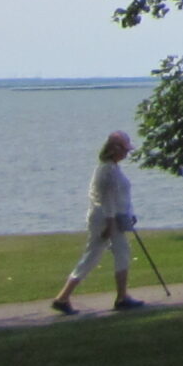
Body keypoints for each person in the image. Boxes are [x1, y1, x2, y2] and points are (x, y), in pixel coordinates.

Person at [49, 130, 145, 313]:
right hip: (106, 219)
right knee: (107, 254)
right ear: (115, 149)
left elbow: (120, 196)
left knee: (103, 254)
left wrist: (128, 213)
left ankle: (64, 297)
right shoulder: (107, 170)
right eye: (124, 150)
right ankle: (121, 297)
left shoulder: (112, 168)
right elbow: (106, 199)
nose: (127, 153)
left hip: (113, 217)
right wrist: (110, 224)